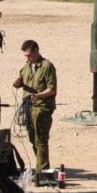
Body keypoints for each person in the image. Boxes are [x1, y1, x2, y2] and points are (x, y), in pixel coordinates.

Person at [13, 39, 57, 173]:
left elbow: (52, 89)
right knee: (33, 138)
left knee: (41, 139)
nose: (28, 58)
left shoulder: (46, 66)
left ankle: (42, 171)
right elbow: (21, 81)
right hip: (28, 107)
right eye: (26, 56)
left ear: (36, 51)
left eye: (29, 55)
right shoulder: (26, 67)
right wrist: (17, 83)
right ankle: (41, 167)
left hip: (42, 107)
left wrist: (38, 96)